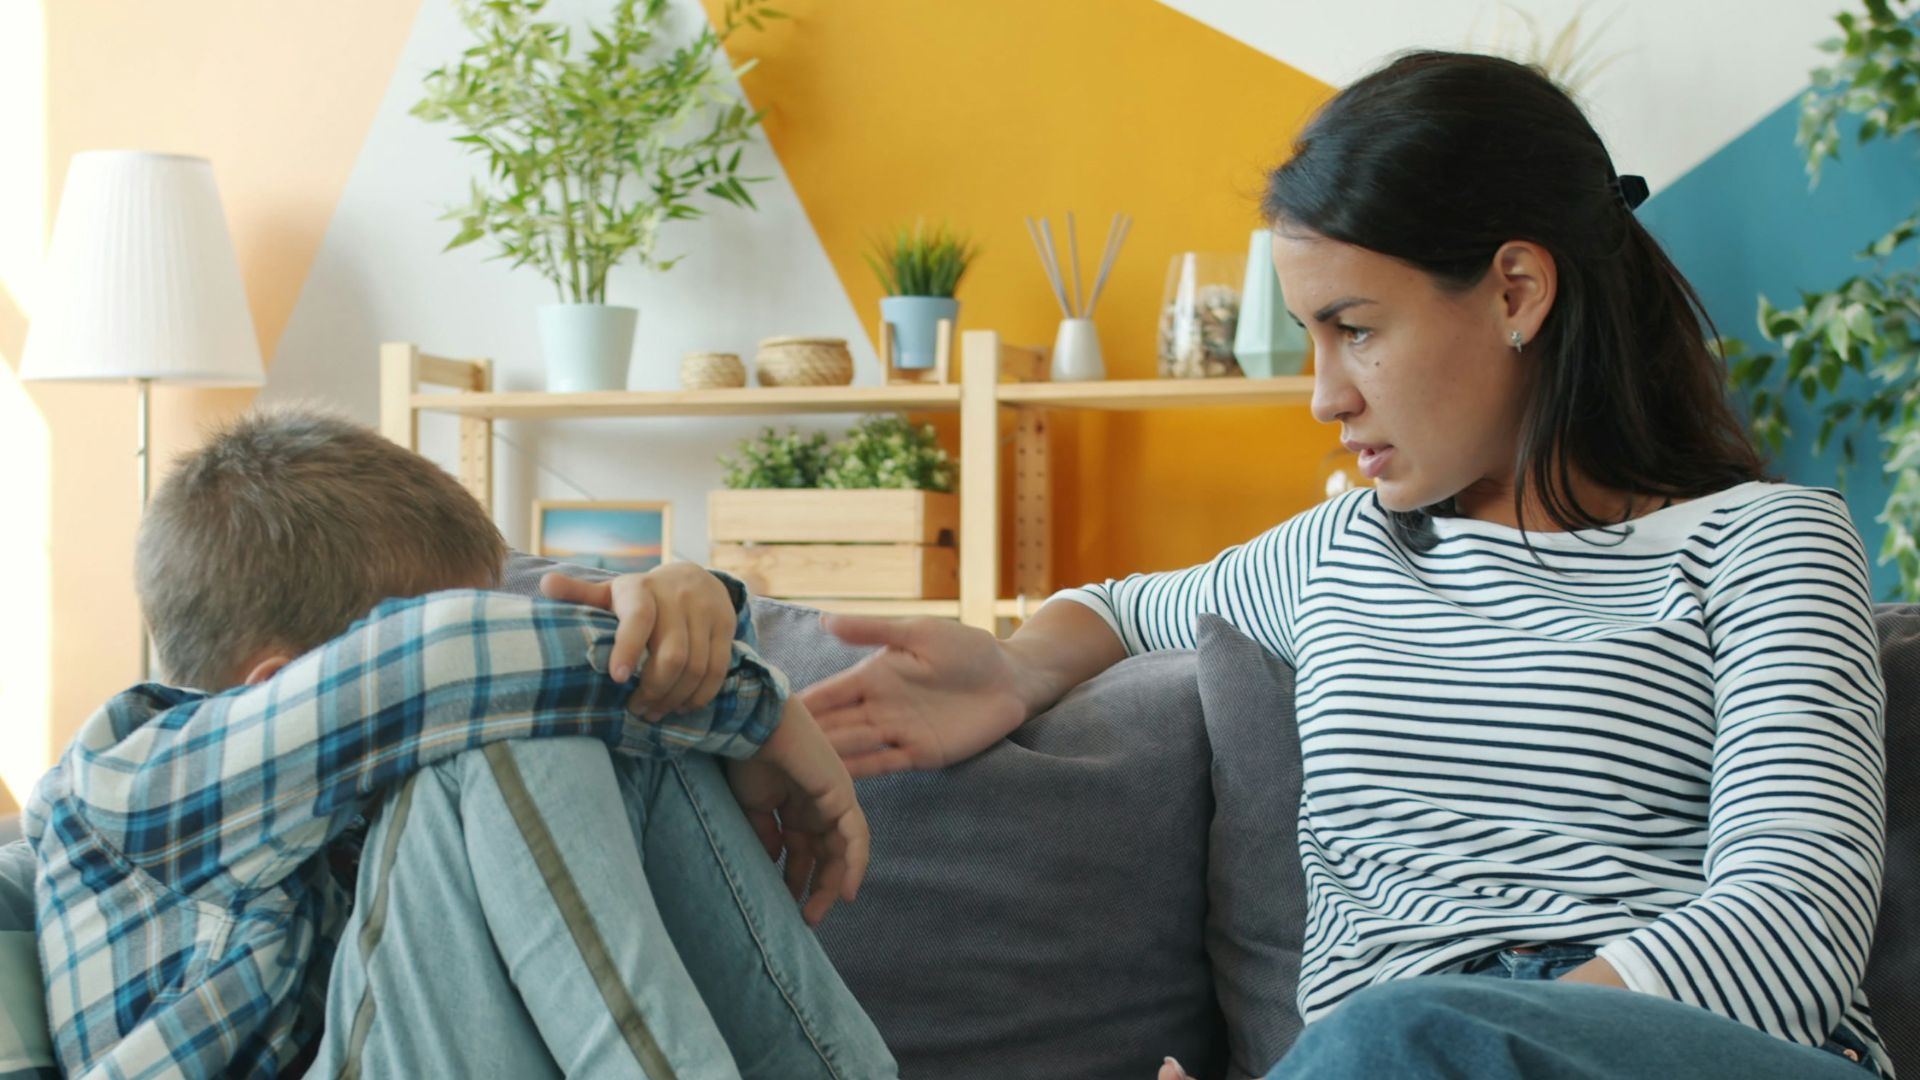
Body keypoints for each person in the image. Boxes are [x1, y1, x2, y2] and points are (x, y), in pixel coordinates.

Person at [799, 51, 1892, 1080]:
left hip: (1660, 1051)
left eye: (1356, 328)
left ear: (1517, 291)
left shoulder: (1766, 545)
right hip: (1382, 1055)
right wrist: (1015, 668)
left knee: (1401, 1029)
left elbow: (1795, 921)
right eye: (1310, 337)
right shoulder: (1342, 550)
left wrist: (1445, 1044)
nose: (1325, 395)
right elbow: (1121, 609)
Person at [24, 407, 897, 1079]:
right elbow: (449, 660)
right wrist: (760, 707)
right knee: (508, 718)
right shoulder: (130, 787)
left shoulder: (379, 831)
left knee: (603, 712)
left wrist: (693, 616)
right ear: (277, 690)